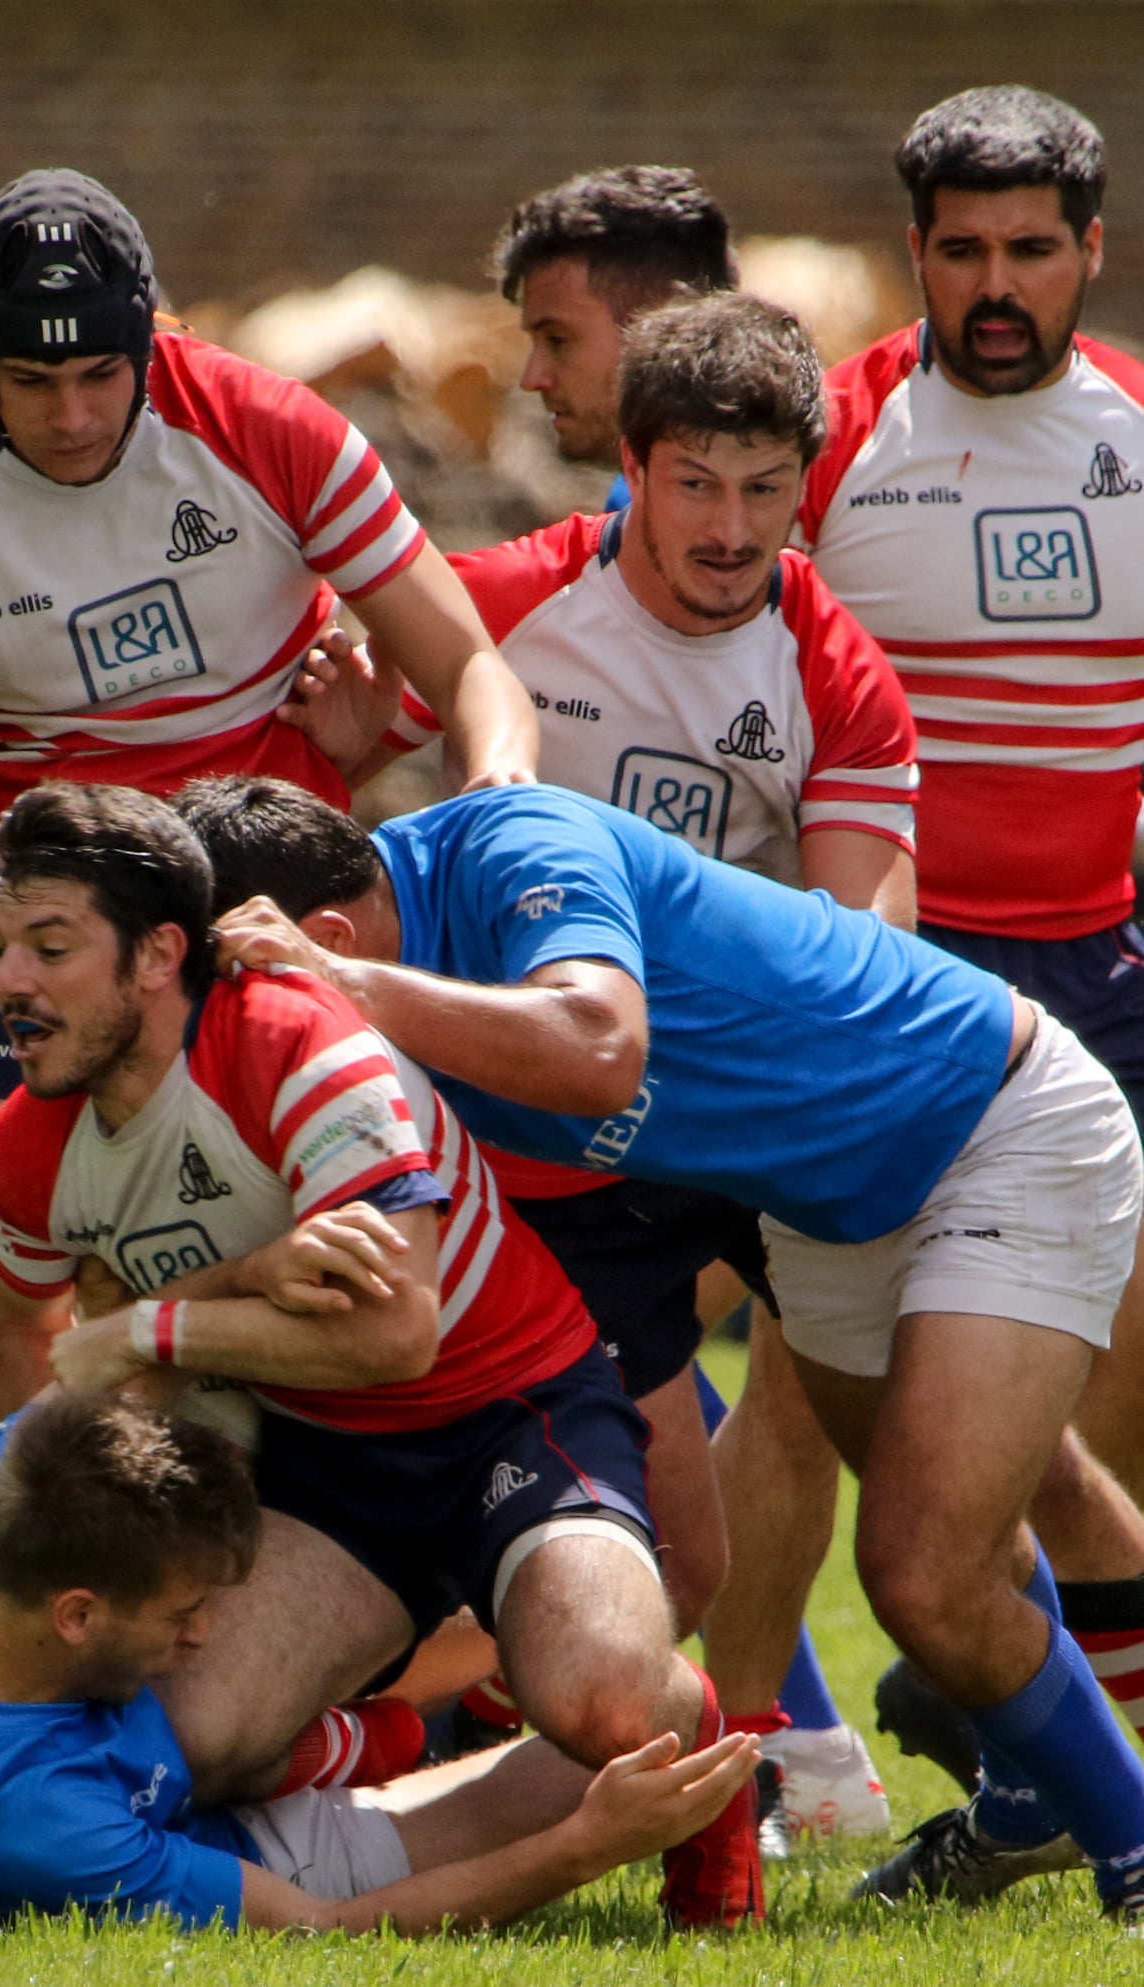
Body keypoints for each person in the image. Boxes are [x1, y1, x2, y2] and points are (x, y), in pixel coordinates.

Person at [0, 165, 541, 1911]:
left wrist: (500, 800)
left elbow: (462, 654)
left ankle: (395, 1685)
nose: (67, 411)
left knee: (353, 1298)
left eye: (97, 374)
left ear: (153, 340)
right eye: (29, 382)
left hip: (250, 894)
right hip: (33, 916)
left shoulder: (258, 426)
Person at [179, 771, 1144, 1924]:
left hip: (999, 1123)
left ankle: (1130, 1847)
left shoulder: (510, 842)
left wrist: (348, 987)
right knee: (947, 1548)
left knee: (921, 1573)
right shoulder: (357, 989)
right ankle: (1033, 1785)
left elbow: (599, 1049)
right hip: (822, 1207)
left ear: (319, 936)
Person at [0, 780, 765, 1930]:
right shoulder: (23, 1154)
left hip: (513, 1403)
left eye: (50, 947)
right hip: (322, 1457)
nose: (10, 982)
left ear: (157, 957)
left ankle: (701, 1751)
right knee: (182, 1745)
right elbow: (31, 1364)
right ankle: (380, 1743)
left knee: (603, 1702)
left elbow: (396, 1332)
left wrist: (147, 1326)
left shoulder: (298, 1041)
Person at [340, 291, 910, 1841]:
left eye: (761, 489)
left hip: (739, 1125)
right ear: (632, 470)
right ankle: (647, 1776)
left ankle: (929, 1738)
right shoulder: (506, 604)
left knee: (929, 1466)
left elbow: (862, 944)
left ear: (805, 487)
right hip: (551, 1137)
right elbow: (336, 781)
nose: (728, 527)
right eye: (691, 483)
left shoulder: (834, 667)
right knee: (662, 1534)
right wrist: (336, 737)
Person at [796, 85, 1144, 1807]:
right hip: (899, 990)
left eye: (1028, 250)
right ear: (910, 255)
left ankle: (1043, 1780)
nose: (993, 285)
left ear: (1091, 251)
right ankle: (937, 1762)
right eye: (960, 252)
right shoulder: (831, 438)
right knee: (914, 1443)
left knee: (1100, 1428)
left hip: (1109, 980)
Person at [0, 1392, 759, 1933]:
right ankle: (418, 1704)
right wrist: (583, 1848)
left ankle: (406, 1696)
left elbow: (83, 1412)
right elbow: (323, 1931)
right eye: (186, 1613)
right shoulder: (26, 1826)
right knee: (641, 1736)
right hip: (263, 1844)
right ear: (77, 1613)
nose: (206, 1631)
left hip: (169, 1741)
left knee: (212, 1695)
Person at [498, 165, 734, 510]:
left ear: (668, 325)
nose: (532, 379)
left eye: (558, 340)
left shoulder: (822, 498)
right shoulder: (634, 504)